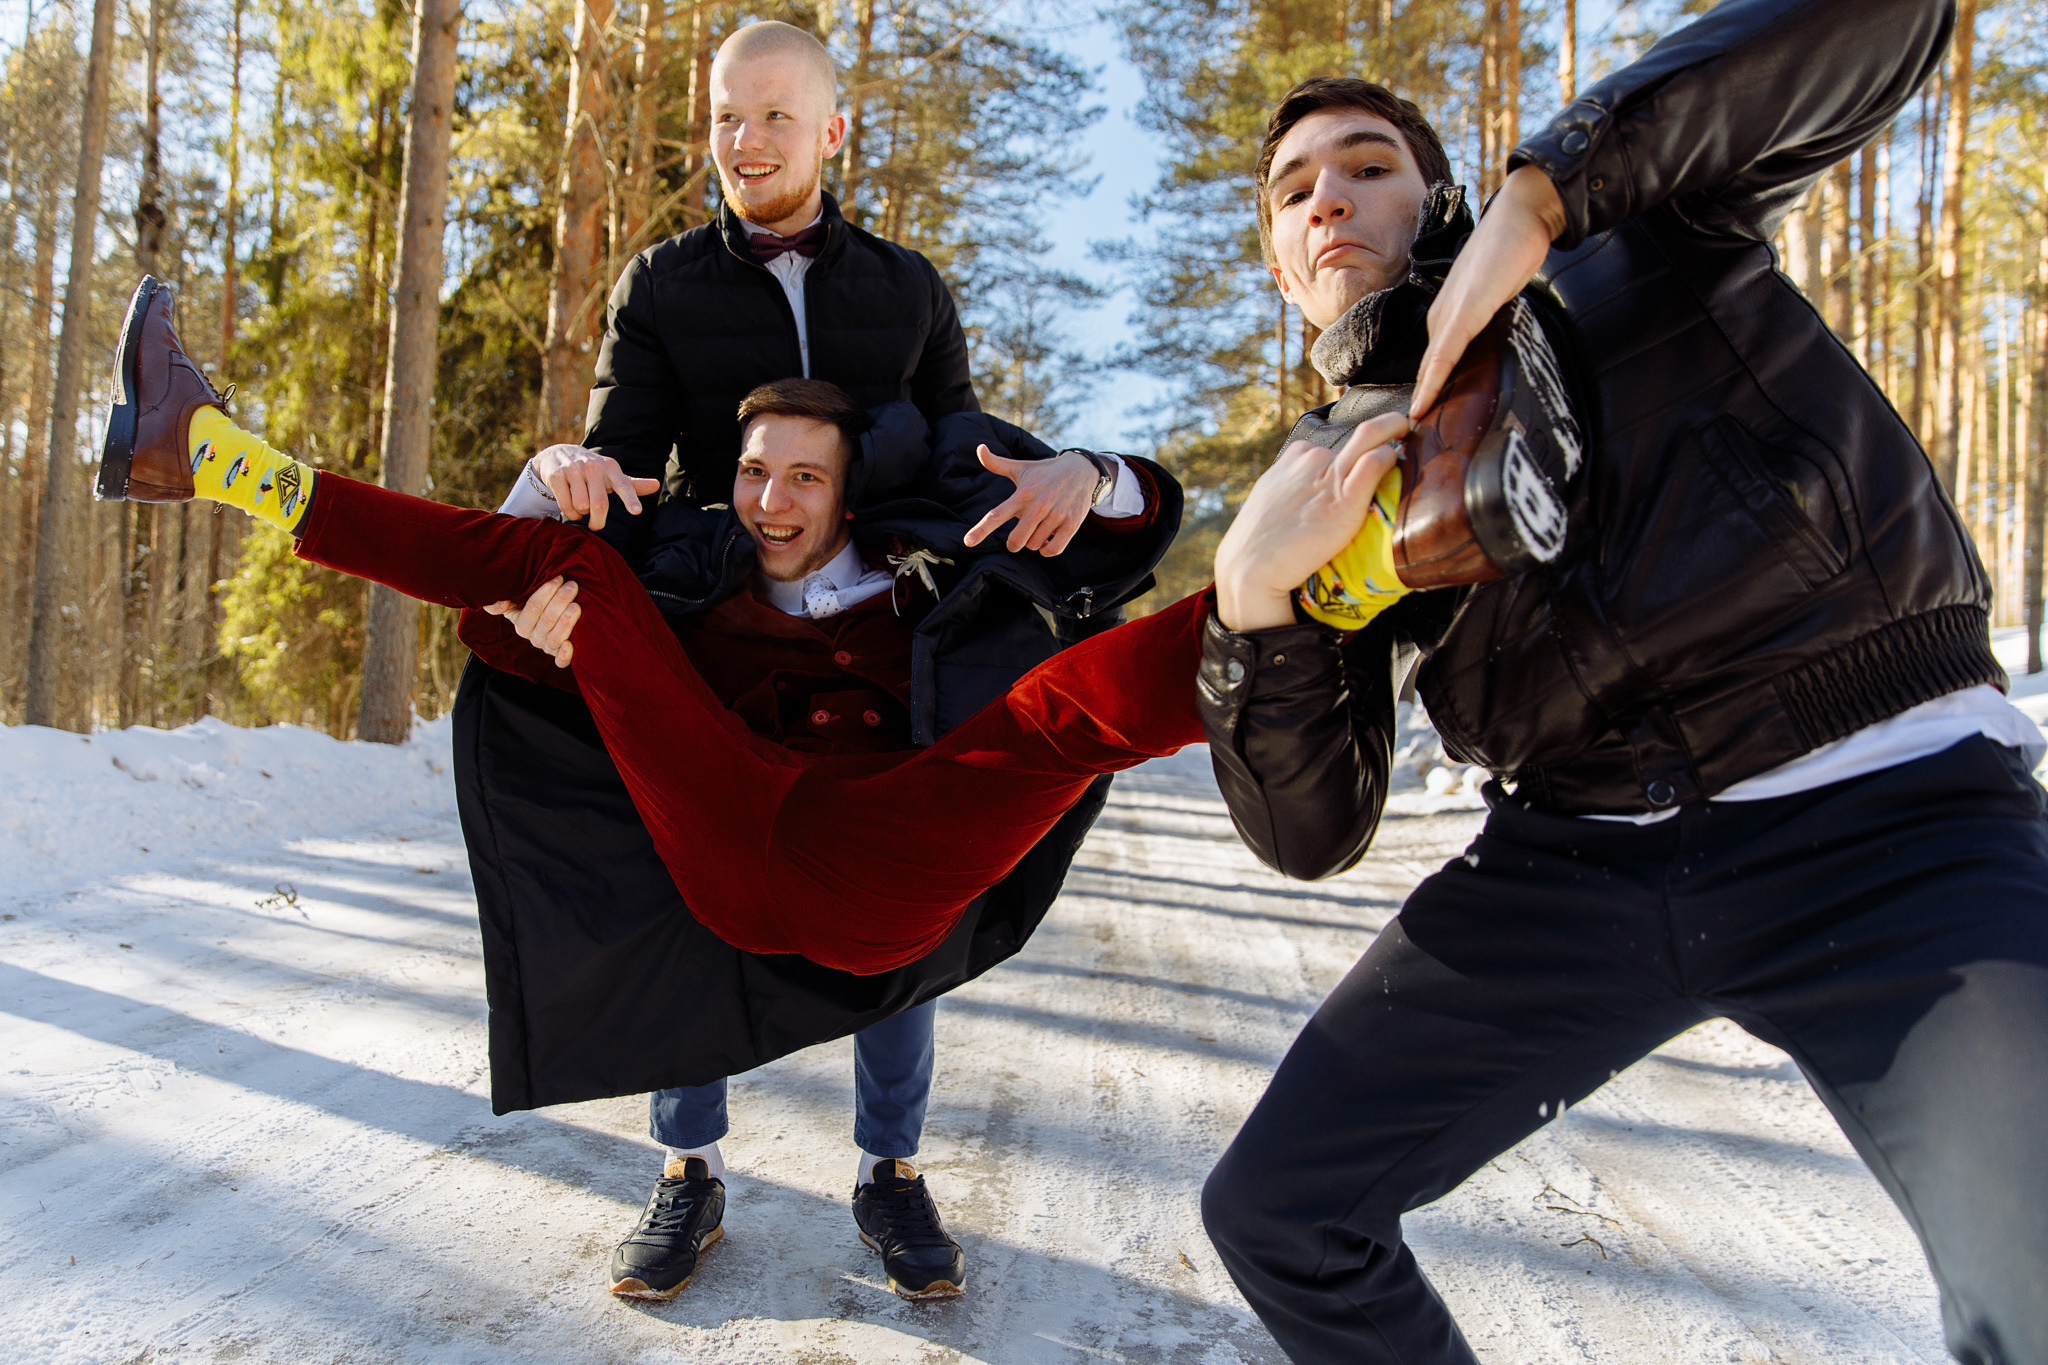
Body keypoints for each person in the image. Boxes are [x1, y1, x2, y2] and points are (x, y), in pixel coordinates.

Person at [1192, 3, 2048, 1363]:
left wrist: (1552, 192)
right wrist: (1255, 604)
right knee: (1278, 1213)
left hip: (1892, 813)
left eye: (1366, 165)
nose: (1328, 199)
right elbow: (1311, 829)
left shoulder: (1639, 243)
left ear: (1443, 194)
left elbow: (1895, 18)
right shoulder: (1319, 484)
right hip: (1572, 869)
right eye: (1292, 192)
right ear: (1282, 268)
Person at [96, 279, 1188, 1301]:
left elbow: (1120, 543)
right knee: (584, 592)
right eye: (756, 471)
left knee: (1060, 717)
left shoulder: (921, 582)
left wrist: (1097, 474)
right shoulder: (687, 567)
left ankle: (1281, 625)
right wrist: (532, 559)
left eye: (805, 477)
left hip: (879, 863)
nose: (772, 499)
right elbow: (518, 631)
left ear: (848, 496)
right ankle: (209, 457)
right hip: (722, 841)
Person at [460, 18, 1133, 1303]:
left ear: (831, 130)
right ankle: (687, 1168)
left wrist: (1065, 477)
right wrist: (575, 474)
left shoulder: (907, 290)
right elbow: (629, 466)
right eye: (724, 116)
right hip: (723, 628)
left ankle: (888, 1173)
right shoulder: (661, 287)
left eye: (774, 116)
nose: (744, 141)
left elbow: (953, 458)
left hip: (882, 643)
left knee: (893, 888)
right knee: (693, 878)